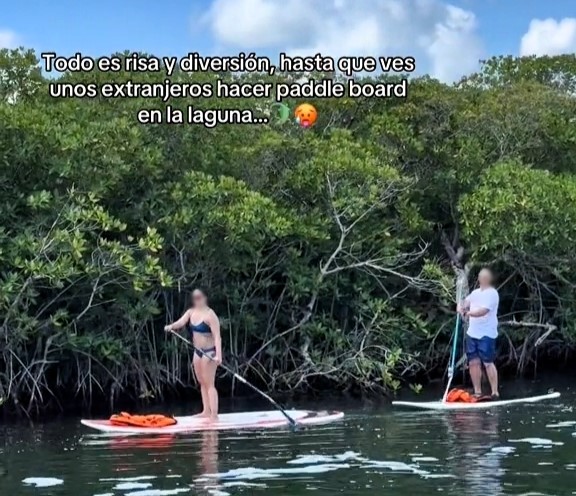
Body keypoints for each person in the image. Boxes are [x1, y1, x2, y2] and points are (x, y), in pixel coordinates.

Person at [164, 288, 222, 421]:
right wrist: (171, 326)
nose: (197, 300)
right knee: (201, 382)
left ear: (205, 298)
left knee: (209, 383)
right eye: (195, 298)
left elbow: (218, 337)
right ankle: (206, 411)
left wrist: (219, 356)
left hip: (209, 353)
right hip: (198, 352)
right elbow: (180, 322)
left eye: (199, 297)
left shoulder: (210, 315)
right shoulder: (191, 312)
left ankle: (214, 415)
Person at [457, 268, 500, 400]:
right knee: (473, 362)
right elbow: (465, 302)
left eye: (486, 277)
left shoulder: (493, 294)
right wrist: (460, 306)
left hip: (487, 334)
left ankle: (494, 392)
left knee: (487, 362)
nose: (483, 279)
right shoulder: (475, 293)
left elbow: (483, 311)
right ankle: (477, 392)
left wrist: (468, 313)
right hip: (472, 333)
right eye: (481, 277)